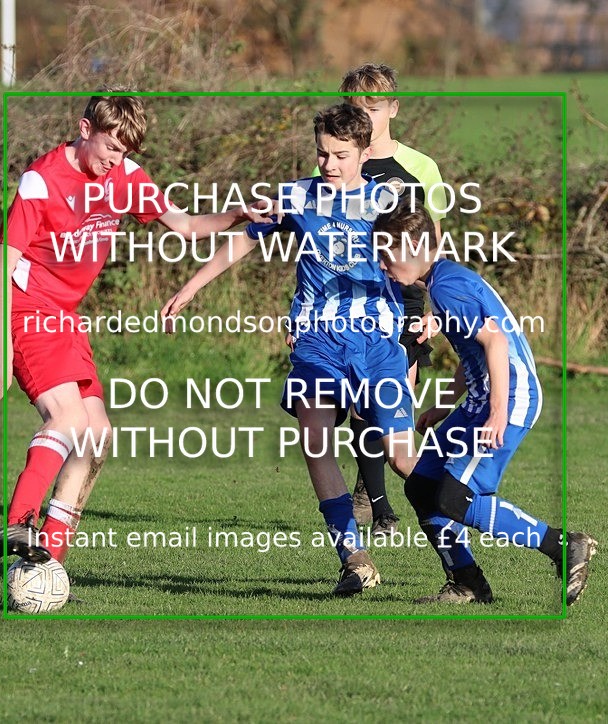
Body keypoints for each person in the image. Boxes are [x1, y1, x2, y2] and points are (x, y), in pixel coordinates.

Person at [0, 89, 261, 575]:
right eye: (111, 147)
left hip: (65, 317)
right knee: (68, 420)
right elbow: (0, 269)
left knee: (98, 434)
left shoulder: (125, 177)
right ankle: (19, 521)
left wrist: (239, 214)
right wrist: (1, 351)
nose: (117, 160)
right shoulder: (41, 182)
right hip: (28, 310)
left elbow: (188, 225)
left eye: (126, 152)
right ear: (85, 128)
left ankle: (48, 556)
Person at [162, 104, 418, 596]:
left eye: (340, 155)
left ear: (365, 153)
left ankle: (466, 543)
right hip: (317, 341)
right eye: (322, 153)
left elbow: (422, 253)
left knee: (403, 459)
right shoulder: (297, 195)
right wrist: (192, 287)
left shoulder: (388, 199)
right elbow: (243, 241)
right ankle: (354, 558)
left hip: (377, 341)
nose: (328, 164)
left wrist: (429, 309)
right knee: (315, 441)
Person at [372, 197, 597, 605]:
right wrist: (445, 403)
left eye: (388, 257)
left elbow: (496, 342)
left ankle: (563, 545)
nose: (383, 266)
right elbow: (475, 354)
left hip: (508, 399)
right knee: (422, 487)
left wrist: (497, 413)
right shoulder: (441, 283)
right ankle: (467, 582)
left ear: (418, 251)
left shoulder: (448, 287)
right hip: (482, 398)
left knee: (451, 498)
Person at [333, 63, 447, 538]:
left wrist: (437, 309)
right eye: (356, 107)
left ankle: (370, 485)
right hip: (355, 302)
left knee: (393, 406)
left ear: (393, 109)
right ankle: (380, 510)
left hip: (405, 301)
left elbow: (436, 244)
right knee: (365, 405)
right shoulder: (337, 162)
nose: (365, 115)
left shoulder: (421, 168)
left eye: (374, 107)